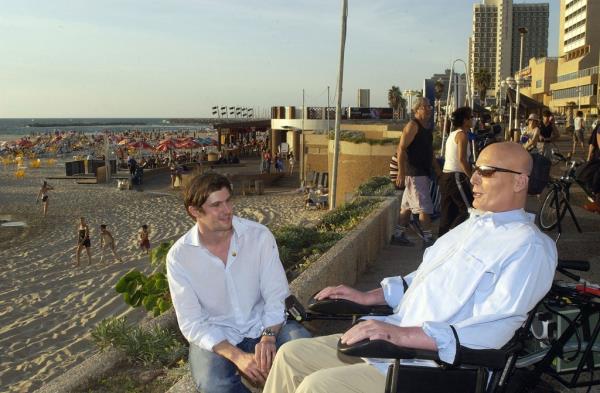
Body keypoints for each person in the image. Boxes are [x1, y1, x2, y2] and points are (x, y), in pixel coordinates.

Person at [262, 142, 557, 393]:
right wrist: (368, 298)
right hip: (396, 343)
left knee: (318, 387)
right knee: (291, 354)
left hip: (437, 366)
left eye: (486, 172)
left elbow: (493, 328)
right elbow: (420, 280)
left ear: (520, 181)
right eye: (476, 169)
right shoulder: (470, 227)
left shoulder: (528, 247)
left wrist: (401, 336)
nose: (473, 179)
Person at [166, 172, 310, 393]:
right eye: (216, 205)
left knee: (305, 354)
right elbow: (192, 322)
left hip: (265, 324)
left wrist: (269, 337)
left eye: (228, 200)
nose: (227, 210)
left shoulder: (259, 236)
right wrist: (237, 356)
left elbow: (277, 295)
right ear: (195, 211)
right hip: (219, 335)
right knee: (213, 383)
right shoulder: (180, 257)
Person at [391, 97, 440, 248]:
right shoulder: (413, 126)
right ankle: (427, 238)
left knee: (406, 207)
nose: (429, 109)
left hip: (421, 173)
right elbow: (401, 148)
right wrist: (401, 172)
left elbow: (430, 152)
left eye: (429, 106)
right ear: (416, 109)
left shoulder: (426, 128)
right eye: (425, 106)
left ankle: (398, 234)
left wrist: (437, 170)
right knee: (424, 207)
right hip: (414, 174)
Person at [438, 107, 473, 236]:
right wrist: (471, 177)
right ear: (465, 120)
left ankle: (441, 241)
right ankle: (452, 236)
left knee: (448, 212)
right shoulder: (462, 135)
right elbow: (462, 160)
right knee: (469, 210)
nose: (473, 120)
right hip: (456, 176)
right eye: (471, 117)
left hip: (446, 176)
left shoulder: (453, 134)